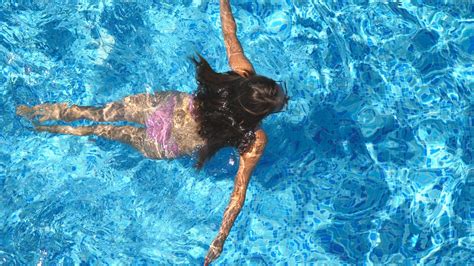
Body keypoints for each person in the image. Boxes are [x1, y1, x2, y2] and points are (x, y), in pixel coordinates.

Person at [16, 0, 289, 264]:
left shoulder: (241, 73)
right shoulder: (255, 139)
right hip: (166, 142)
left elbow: (229, 33)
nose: (282, 97)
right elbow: (238, 194)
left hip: (166, 108)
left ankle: (36, 112)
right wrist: (220, 239)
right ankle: (52, 128)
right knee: (101, 131)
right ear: (260, 115)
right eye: (279, 99)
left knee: (98, 112)